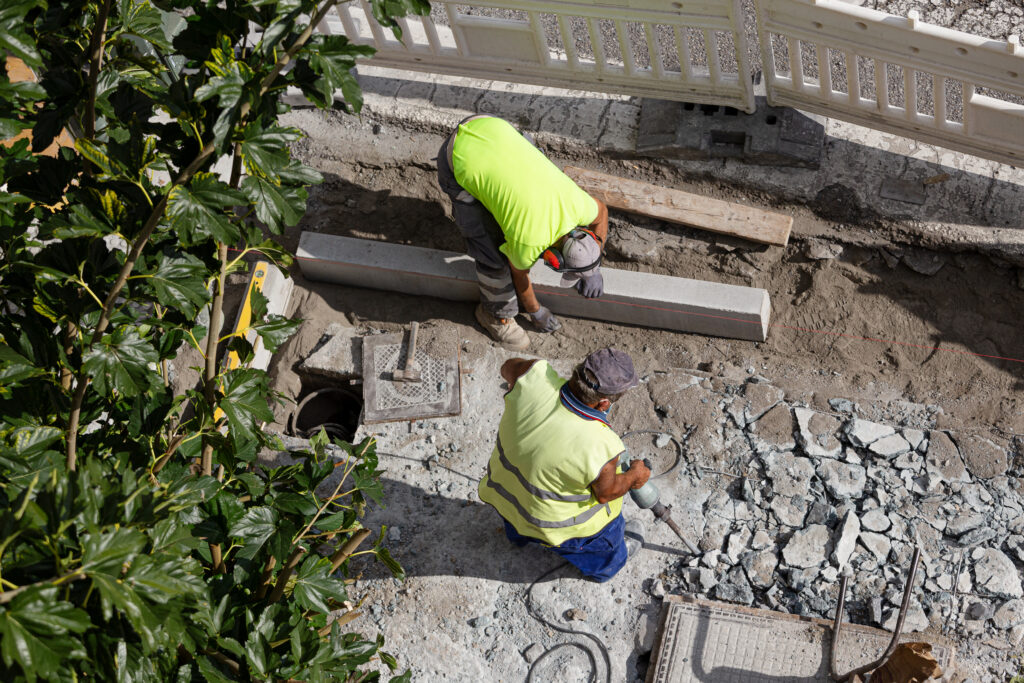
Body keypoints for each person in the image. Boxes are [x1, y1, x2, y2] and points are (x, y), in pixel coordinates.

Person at [436, 115, 610, 350]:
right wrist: (536, 312)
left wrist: (591, 268)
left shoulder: (579, 205)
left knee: (532, 156)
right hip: (458, 156)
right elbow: (520, 277)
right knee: (494, 258)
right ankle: (495, 316)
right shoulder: (527, 244)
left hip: (491, 125)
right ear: (554, 261)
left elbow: (602, 212)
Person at [478, 348, 651, 582]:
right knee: (605, 546)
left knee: (516, 518)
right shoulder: (602, 444)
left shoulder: (533, 375)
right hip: (555, 526)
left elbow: (507, 368)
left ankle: (518, 537)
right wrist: (634, 476)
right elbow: (606, 494)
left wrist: (526, 396)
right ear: (604, 403)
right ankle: (605, 568)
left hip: (505, 494)